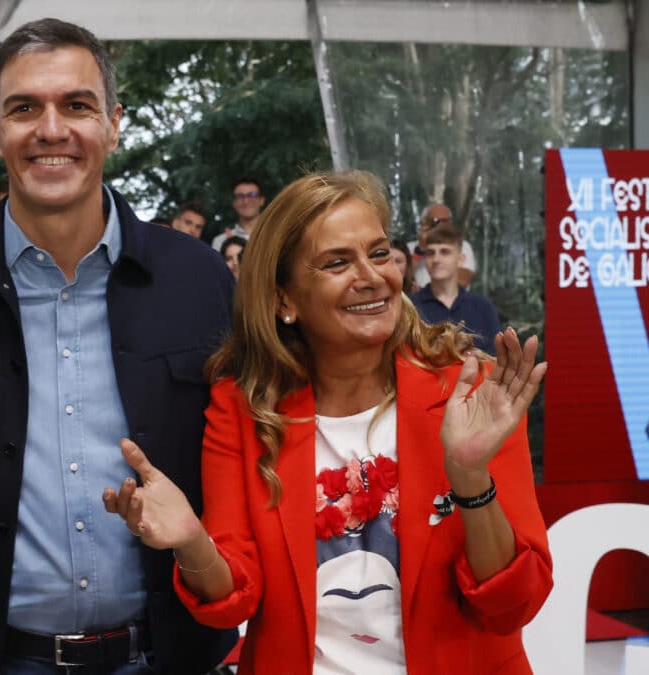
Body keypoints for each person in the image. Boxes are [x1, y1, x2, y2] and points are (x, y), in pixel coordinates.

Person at [0, 18, 237, 673]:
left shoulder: (200, 280)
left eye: (78, 105)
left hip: (164, 653)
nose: (51, 129)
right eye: (24, 107)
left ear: (114, 124)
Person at [105, 170, 552, 674]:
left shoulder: (469, 390)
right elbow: (232, 601)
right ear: (284, 300)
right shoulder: (243, 406)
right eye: (337, 262)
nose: (371, 275)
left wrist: (471, 479)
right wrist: (191, 542)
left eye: (379, 253)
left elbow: (514, 604)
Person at [411, 225, 501, 355]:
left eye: (445, 252)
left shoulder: (483, 307)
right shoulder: (411, 307)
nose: (436, 259)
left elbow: (495, 360)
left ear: (460, 260)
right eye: (430, 253)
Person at [408, 203, 476, 289]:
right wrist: (420, 250)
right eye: (434, 221)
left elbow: (463, 281)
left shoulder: (462, 246)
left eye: (444, 221)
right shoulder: (410, 247)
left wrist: (424, 293)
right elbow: (401, 279)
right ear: (423, 223)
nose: (439, 225)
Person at [211, 177, 265, 251]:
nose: (246, 201)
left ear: (262, 200)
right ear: (234, 203)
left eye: (252, 195)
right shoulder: (220, 241)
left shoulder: (275, 236)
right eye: (240, 196)